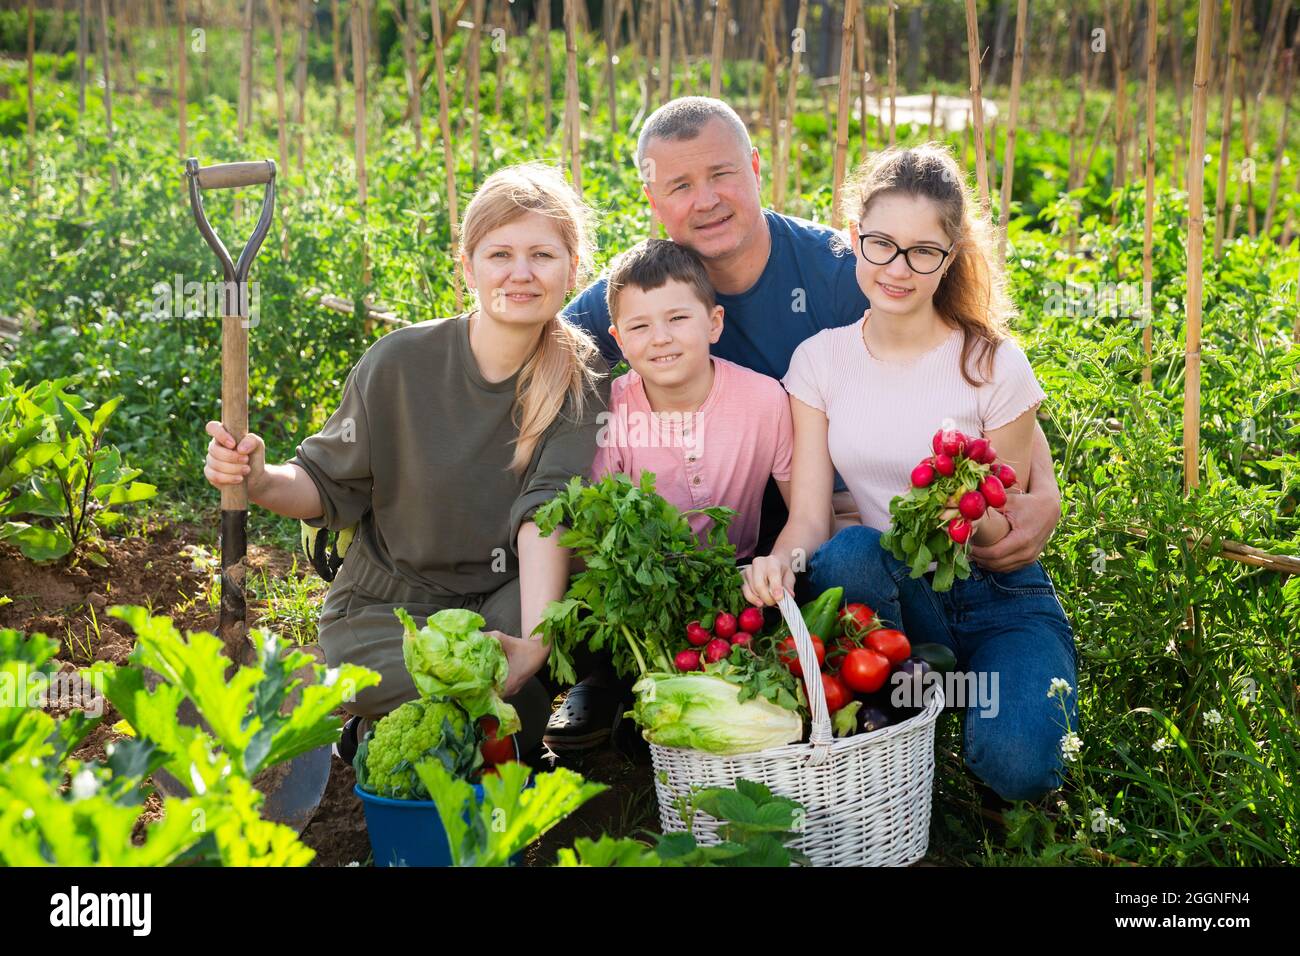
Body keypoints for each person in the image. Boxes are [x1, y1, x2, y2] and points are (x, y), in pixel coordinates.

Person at [201, 163, 611, 760]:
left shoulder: (581, 380)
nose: (520, 274)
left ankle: (411, 726)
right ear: (466, 267)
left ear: (574, 269)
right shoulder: (399, 362)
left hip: (503, 595)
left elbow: (547, 514)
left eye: (542, 255)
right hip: (387, 607)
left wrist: (536, 643)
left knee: (512, 662)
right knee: (463, 707)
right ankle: (381, 719)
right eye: (499, 254)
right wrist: (260, 478)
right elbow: (321, 484)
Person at [742, 144, 1079, 803]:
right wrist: (776, 564)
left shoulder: (992, 363)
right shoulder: (819, 364)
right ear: (853, 239)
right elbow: (810, 513)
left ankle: (967, 709)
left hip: (999, 597)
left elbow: (999, 533)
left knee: (1019, 768)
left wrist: (967, 508)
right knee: (850, 551)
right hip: (892, 598)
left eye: (924, 251)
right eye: (881, 245)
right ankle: (912, 710)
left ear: (951, 257)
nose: (898, 268)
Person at [589, 238, 794, 561]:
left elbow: (805, 513)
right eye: (640, 326)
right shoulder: (610, 412)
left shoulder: (766, 401)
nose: (660, 338)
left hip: (741, 574)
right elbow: (598, 535)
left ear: (714, 324)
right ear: (621, 342)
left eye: (677, 319)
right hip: (645, 577)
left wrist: (778, 564)